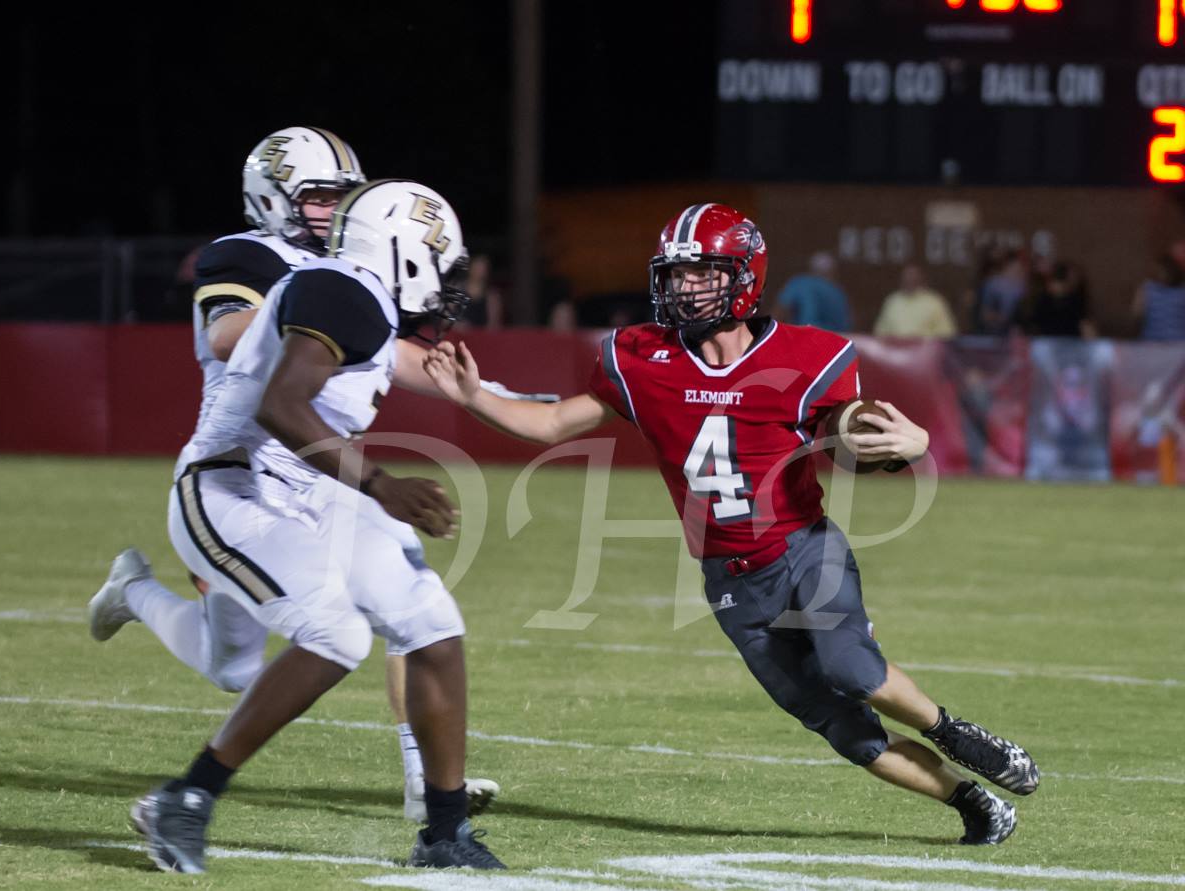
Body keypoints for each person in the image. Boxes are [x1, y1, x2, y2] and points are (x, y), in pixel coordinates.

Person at [425, 203, 1039, 846]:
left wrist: (904, 449)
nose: (683, 288)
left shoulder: (808, 356)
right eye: (676, 274)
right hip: (729, 580)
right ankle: (973, 804)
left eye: (702, 274)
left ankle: (956, 734)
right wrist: (473, 397)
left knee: (852, 669)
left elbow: (846, 449)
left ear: (745, 277)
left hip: (802, 547)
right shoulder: (640, 357)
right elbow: (551, 424)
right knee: (846, 731)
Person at [87, 130, 496, 832]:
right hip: (242, 477)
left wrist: (514, 403)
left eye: (342, 197)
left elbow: (387, 354)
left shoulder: (351, 288)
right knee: (240, 666)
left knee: (411, 595)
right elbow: (229, 339)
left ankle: (430, 795)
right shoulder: (275, 265)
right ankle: (137, 595)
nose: (330, 210)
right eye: (317, 196)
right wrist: (303, 305)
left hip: (313, 476)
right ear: (271, 198)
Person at [774, 251, 852, 331]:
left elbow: (780, 310)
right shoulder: (838, 293)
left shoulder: (801, 282)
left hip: (806, 336)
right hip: (835, 340)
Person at [873, 264, 957, 338]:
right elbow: (880, 333)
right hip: (896, 353)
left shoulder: (934, 302)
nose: (909, 280)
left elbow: (947, 334)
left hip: (925, 353)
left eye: (913, 277)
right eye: (906, 277)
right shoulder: (892, 301)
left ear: (921, 279)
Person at [1132, 254, 1185, 341]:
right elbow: (1137, 316)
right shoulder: (1147, 288)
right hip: (1157, 342)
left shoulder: (1147, 289)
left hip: (1173, 343)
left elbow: (1137, 315)